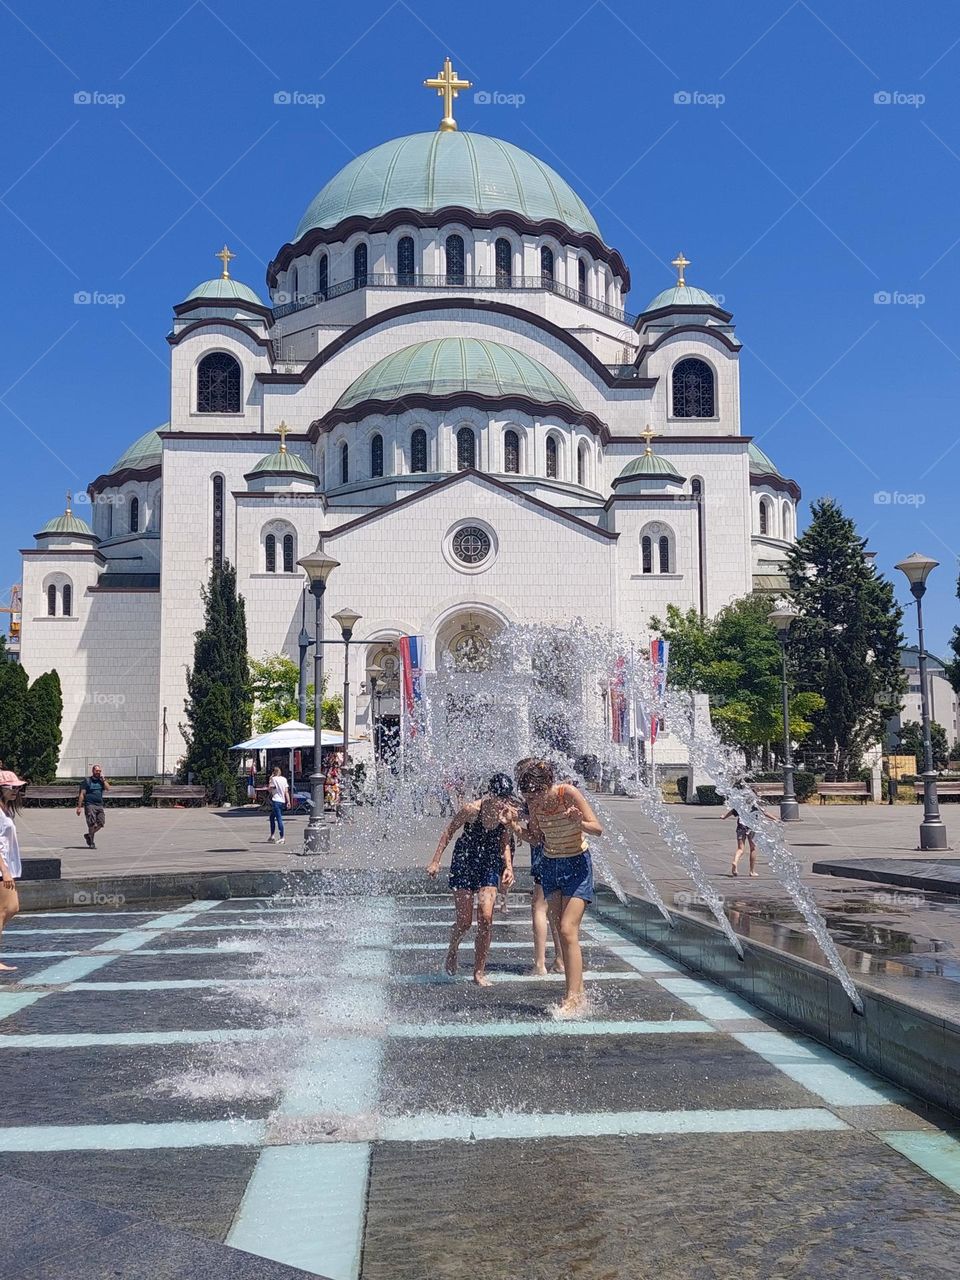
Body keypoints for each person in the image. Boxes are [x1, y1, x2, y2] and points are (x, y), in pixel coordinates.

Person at [516, 760, 602, 1016]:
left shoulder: (568, 794)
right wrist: (513, 827)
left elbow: (598, 829)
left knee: (567, 929)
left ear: (547, 786)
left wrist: (579, 823)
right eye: (528, 797)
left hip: (577, 866)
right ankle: (577, 994)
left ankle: (572, 998)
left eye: (536, 795)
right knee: (560, 930)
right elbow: (536, 839)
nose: (534, 802)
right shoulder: (534, 805)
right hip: (551, 867)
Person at [426, 773, 516, 986]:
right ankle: (453, 949)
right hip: (464, 861)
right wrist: (436, 861)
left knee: (486, 917)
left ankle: (479, 971)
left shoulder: (507, 815)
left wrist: (509, 867)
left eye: (506, 797)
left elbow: (504, 842)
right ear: (490, 794)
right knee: (465, 921)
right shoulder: (471, 810)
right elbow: (449, 831)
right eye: (499, 797)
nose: (503, 802)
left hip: (489, 865)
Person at [514, 757, 563, 976]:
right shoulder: (554, 794)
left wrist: (516, 824)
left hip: (545, 854)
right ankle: (561, 960)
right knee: (556, 909)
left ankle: (539, 964)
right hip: (564, 853)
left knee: (539, 907)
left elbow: (535, 834)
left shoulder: (534, 799)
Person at [0, 769, 25, 971]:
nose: (16, 790)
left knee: (12, 908)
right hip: (2, 869)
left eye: (18, 787)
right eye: (12, 787)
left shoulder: (6, 809)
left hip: (8, 867)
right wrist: (5, 871)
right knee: (3, 911)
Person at [76, 765, 110, 849]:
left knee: (101, 823)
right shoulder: (87, 781)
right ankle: (91, 842)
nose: (98, 772)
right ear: (93, 771)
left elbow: (108, 788)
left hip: (99, 805)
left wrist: (104, 780)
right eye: (97, 771)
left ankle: (88, 835)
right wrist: (79, 807)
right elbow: (82, 794)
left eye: (99, 771)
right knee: (91, 823)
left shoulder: (101, 781)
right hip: (89, 804)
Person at [267, 765, 289, 845]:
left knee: (279, 819)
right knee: (272, 817)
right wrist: (288, 801)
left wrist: (270, 780)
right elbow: (286, 791)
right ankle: (272, 835)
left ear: (273, 773)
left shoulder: (273, 779)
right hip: (282, 801)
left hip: (276, 801)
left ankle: (282, 837)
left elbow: (270, 789)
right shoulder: (284, 779)